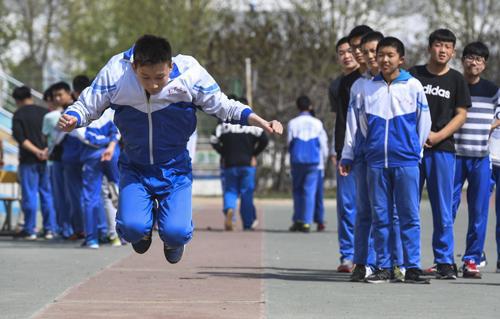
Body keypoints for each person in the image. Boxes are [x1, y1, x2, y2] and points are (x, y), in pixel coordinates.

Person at [58, 34, 283, 263]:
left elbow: (224, 106)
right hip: (136, 166)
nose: (153, 85)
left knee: (176, 233)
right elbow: (88, 104)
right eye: (145, 77)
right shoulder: (117, 72)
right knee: (131, 229)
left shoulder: (189, 73)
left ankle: (172, 237)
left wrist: (260, 121)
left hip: (174, 168)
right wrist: (74, 118)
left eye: (160, 77)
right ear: (134, 66)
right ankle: (142, 229)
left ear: (171, 66)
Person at [340, 36, 432, 284]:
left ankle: (412, 266)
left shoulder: (413, 86)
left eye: (390, 55)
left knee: (409, 215)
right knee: (380, 217)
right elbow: (360, 124)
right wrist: (357, 152)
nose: (384, 59)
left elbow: (424, 122)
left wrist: (416, 151)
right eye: (381, 55)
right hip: (376, 163)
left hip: (406, 162)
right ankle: (383, 266)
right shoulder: (369, 87)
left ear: (401, 59)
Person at [410, 29, 471, 280]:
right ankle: (404, 259)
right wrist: (416, 136)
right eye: (438, 45)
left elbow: (461, 115)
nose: (442, 50)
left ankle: (445, 261)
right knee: (406, 207)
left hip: (443, 150)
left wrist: (437, 136)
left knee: (443, 208)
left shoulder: (456, 80)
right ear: (429, 48)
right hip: (412, 151)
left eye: (447, 46)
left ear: (453, 51)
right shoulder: (413, 75)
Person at [452, 42, 499, 278]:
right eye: (470, 58)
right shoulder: (453, 85)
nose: (474, 63)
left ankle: (471, 259)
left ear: (485, 64)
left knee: (479, 211)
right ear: (462, 60)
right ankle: (444, 259)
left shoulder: (492, 90)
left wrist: (485, 127)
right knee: (446, 209)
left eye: (479, 59)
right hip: (453, 156)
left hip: (481, 158)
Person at [334, 25, 372, 273]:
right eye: (345, 50)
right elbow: (341, 120)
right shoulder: (342, 84)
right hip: (348, 150)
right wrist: (339, 151)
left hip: (376, 152)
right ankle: (348, 255)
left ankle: (375, 256)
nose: (352, 53)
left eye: (356, 48)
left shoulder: (377, 79)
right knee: (348, 205)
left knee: (375, 206)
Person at [210, 97, 269, 230]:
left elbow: (213, 140)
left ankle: (230, 210)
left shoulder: (224, 124)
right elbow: (264, 140)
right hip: (247, 164)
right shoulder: (253, 125)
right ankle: (248, 223)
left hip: (229, 163)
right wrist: (254, 154)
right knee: (246, 193)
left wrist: (223, 153)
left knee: (230, 191)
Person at [11, 86, 56, 240]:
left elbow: (20, 138)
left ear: (17, 100)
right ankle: (50, 229)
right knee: (47, 195)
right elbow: (53, 135)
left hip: (28, 160)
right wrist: (44, 150)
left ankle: (30, 230)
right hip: (46, 159)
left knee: (29, 195)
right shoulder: (45, 112)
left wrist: (36, 151)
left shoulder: (18, 114)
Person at [288, 95, 328, 232]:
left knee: (297, 191)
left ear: (298, 107)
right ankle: (307, 222)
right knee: (309, 192)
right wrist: (324, 160)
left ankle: (298, 220)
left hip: (297, 161)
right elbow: (323, 144)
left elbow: (289, 142)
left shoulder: (293, 123)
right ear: (310, 106)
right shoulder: (317, 123)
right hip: (313, 162)